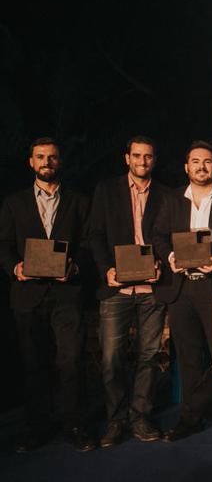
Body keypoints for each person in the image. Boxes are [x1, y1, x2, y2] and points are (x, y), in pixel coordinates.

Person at [0, 137, 95, 452]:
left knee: (71, 362)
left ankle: (75, 424)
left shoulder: (79, 201)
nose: (46, 162)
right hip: (27, 294)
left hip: (67, 294)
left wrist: (76, 266)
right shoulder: (14, 203)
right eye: (40, 157)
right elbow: (3, 244)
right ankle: (37, 428)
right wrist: (15, 268)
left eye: (52, 157)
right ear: (31, 162)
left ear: (60, 161)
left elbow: (88, 244)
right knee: (33, 364)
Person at [153, 140, 212, 442]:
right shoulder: (171, 200)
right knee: (189, 357)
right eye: (195, 161)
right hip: (181, 290)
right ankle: (190, 417)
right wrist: (170, 257)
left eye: (207, 161)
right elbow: (159, 237)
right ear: (186, 167)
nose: (201, 166)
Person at [89, 135, 170, 447]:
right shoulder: (106, 190)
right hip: (116, 289)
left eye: (148, 157)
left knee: (149, 356)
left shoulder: (165, 194)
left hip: (151, 288)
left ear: (154, 160)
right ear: (127, 158)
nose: (142, 162)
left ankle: (140, 417)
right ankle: (115, 419)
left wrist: (161, 263)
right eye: (137, 156)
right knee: (111, 359)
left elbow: (170, 235)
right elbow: (95, 235)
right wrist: (106, 269)